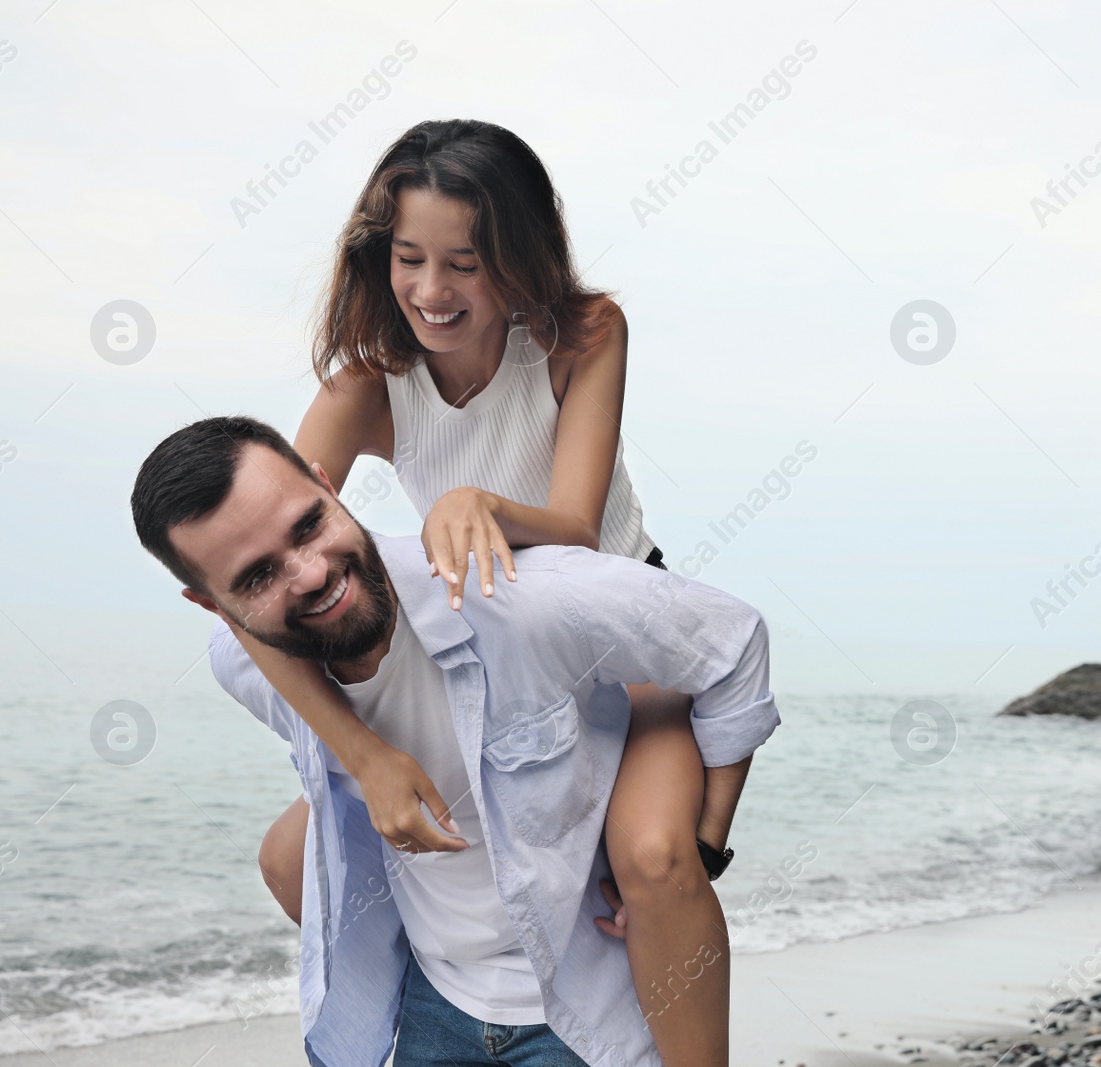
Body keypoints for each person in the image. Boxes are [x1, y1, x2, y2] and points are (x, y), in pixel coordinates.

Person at [237, 118, 744, 1064]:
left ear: (516, 256)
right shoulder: (365, 386)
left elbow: (579, 534)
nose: (431, 292)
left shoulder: (584, 335)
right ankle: (446, 992)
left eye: (465, 263)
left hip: (623, 640)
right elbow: (259, 561)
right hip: (491, 655)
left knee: (654, 860)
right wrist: (363, 752)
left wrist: (476, 501)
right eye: (410, 258)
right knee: (287, 852)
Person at [129, 416, 780, 1067]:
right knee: (284, 850)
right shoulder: (246, 667)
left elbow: (732, 641)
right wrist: (364, 755)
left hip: (584, 1005)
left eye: (308, 525)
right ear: (212, 605)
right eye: (257, 576)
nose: (309, 574)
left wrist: (701, 847)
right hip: (435, 1002)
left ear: (328, 485)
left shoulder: (522, 598)